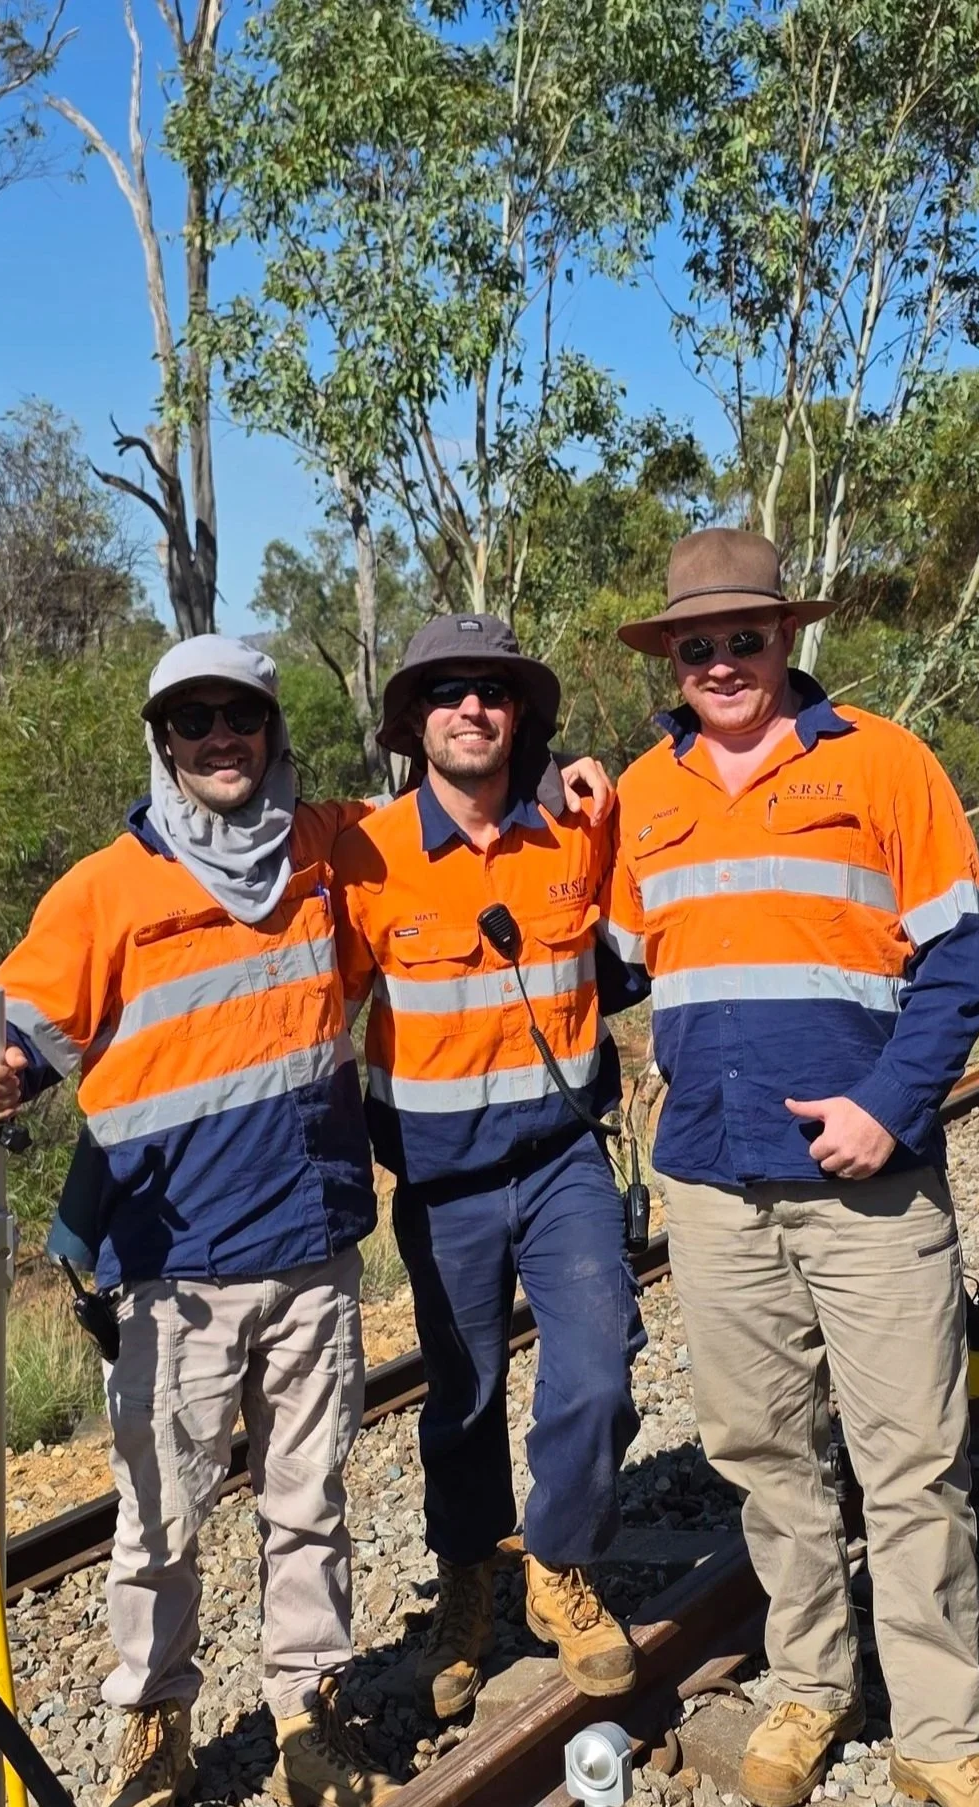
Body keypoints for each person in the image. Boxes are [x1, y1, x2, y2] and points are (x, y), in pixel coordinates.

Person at [607, 529, 979, 1807]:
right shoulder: (640, 794)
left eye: (745, 638)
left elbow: (961, 962)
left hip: (871, 1181)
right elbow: (615, 968)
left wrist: (886, 1107)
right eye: (699, 645)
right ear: (672, 662)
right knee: (766, 1457)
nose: (723, 661)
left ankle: (945, 1738)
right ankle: (809, 1688)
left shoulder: (884, 761)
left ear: (785, 640)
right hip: (714, 1183)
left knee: (912, 1460)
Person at [0, 634, 398, 1807]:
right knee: (161, 1517)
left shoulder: (330, 848)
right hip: (174, 1273)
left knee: (309, 1501)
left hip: (310, 1246)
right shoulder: (105, 889)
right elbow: (4, 1027)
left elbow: (458, 826)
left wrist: (568, 780)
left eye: (238, 715)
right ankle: (154, 1725)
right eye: (192, 722)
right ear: (164, 744)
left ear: (270, 728)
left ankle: (311, 1707)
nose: (219, 739)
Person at [335, 614, 646, 1720]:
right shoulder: (363, 856)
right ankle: (468, 1576)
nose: (472, 707)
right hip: (439, 1182)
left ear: (523, 716)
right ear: (414, 722)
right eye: (447, 691)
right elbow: (294, 999)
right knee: (460, 1399)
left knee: (599, 1378)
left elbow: (640, 953)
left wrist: (618, 806)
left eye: (493, 690)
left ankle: (556, 1564)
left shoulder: (577, 827)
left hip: (563, 1159)